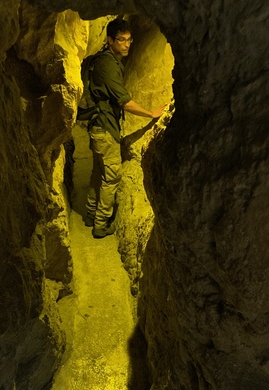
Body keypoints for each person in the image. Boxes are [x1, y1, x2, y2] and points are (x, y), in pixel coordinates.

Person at [85, 18, 165, 238]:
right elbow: (125, 102)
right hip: (105, 127)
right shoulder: (108, 64)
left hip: (98, 126)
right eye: (122, 40)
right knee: (111, 177)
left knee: (98, 173)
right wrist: (151, 113)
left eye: (129, 40)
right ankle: (100, 224)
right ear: (110, 40)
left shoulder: (104, 60)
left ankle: (90, 214)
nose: (127, 44)